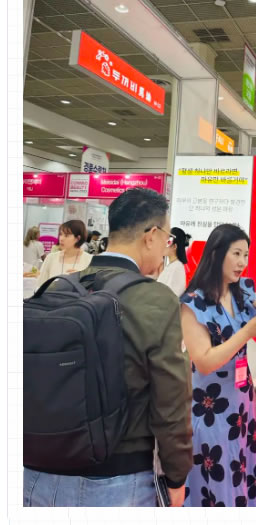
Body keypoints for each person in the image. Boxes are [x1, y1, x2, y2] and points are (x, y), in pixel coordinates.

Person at [23, 187, 193, 507]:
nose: (165, 247)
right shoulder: (155, 299)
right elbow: (171, 401)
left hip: (34, 474)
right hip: (116, 477)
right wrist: (176, 476)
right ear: (151, 236)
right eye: (167, 237)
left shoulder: (59, 288)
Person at [180, 224, 256, 507]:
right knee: (215, 476)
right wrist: (247, 332)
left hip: (241, 401)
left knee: (242, 470)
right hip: (211, 407)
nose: (242, 262)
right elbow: (204, 361)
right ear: (217, 254)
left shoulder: (242, 291)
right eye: (236, 253)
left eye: (246, 255)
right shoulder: (193, 303)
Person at [34, 220, 92, 288]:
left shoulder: (89, 260)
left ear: (78, 238)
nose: (61, 238)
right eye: (61, 234)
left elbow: (91, 289)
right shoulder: (51, 258)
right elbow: (39, 285)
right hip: (52, 294)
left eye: (66, 235)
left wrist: (80, 279)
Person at [158, 227, 189, 297]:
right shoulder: (172, 266)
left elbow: (172, 296)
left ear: (175, 246)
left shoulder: (177, 267)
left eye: (167, 242)